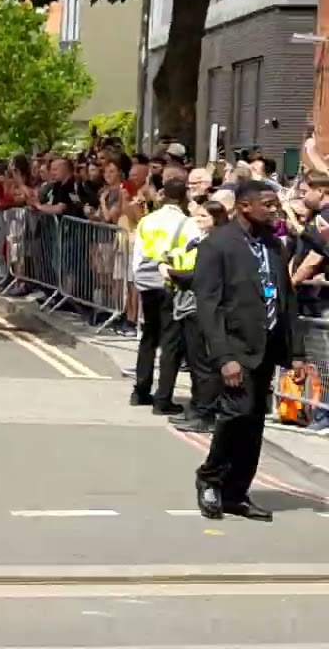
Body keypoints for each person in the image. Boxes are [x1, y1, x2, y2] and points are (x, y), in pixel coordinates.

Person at [193, 180, 306, 521]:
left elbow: (286, 300)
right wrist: (224, 357)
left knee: (254, 422)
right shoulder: (217, 244)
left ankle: (236, 492)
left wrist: (296, 353)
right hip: (234, 348)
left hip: (266, 349)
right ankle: (210, 478)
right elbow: (208, 305)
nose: (275, 210)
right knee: (235, 415)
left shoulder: (273, 245)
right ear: (244, 206)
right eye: (268, 204)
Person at [130, 178, 199, 415]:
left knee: (149, 335)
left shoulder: (147, 221)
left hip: (147, 281)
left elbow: (137, 254)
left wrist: (136, 281)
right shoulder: (188, 223)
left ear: (163, 195)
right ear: (184, 197)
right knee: (171, 342)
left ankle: (140, 390)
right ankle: (163, 399)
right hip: (171, 282)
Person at [161, 199, 230, 434]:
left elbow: (196, 276)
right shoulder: (198, 241)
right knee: (194, 362)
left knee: (204, 366)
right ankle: (196, 407)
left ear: (217, 219)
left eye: (204, 217)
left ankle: (205, 413)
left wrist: (168, 272)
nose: (198, 221)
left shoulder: (215, 244)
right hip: (189, 307)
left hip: (204, 309)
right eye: (197, 216)